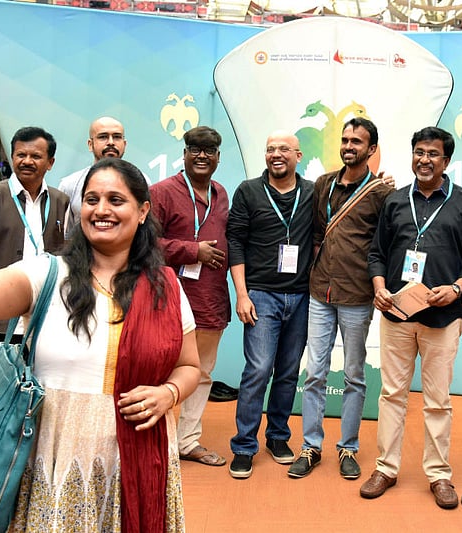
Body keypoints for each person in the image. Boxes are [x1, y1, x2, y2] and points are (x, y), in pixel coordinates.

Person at [0, 158, 201, 532]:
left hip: (142, 458)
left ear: (143, 211)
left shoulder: (167, 288)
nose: (101, 210)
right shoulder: (47, 273)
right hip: (55, 459)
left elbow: (189, 366)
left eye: (116, 199)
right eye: (92, 199)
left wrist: (169, 393)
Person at [360, 126, 462, 509]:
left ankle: (438, 474)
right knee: (392, 395)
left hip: (443, 315)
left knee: (437, 400)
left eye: (433, 154)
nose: (424, 160)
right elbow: (376, 253)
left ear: (446, 160)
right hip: (397, 313)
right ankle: (386, 467)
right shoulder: (396, 201)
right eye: (419, 152)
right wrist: (379, 287)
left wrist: (458, 289)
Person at [287, 117, 393, 480]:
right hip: (320, 291)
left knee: (354, 375)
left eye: (357, 142)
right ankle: (311, 446)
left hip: (357, 295)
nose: (349, 146)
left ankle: (348, 447)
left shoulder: (381, 193)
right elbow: (318, 231)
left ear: (371, 149)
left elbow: (384, 244)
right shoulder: (323, 184)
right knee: (314, 373)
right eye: (345, 140)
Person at [226, 131, 314, 479]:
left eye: (283, 149)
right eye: (270, 149)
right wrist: (242, 294)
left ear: (298, 154)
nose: (276, 154)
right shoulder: (248, 191)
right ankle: (244, 445)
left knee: (289, 372)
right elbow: (236, 241)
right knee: (258, 370)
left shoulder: (311, 192)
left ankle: (278, 436)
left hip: (302, 296)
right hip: (260, 294)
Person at [0, 126, 70, 392]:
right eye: (20, 154)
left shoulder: (61, 202)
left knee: (40, 397)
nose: (26, 161)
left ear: (50, 162)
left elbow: (64, 258)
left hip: (45, 320)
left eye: (35, 156)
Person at [150, 126, 230, 467]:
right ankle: (155, 440)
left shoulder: (221, 193)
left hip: (210, 299)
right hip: (167, 300)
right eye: (195, 149)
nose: (202, 155)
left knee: (202, 374)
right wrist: (191, 251)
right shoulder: (162, 192)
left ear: (217, 158)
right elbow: (145, 244)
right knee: (159, 372)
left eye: (209, 150)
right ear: (183, 154)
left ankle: (187, 441)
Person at [59, 116, 145, 239]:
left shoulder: (141, 181)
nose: (111, 142)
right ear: (90, 144)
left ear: (124, 144)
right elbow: (64, 236)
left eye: (117, 137)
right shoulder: (69, 185)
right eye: (103, 137)